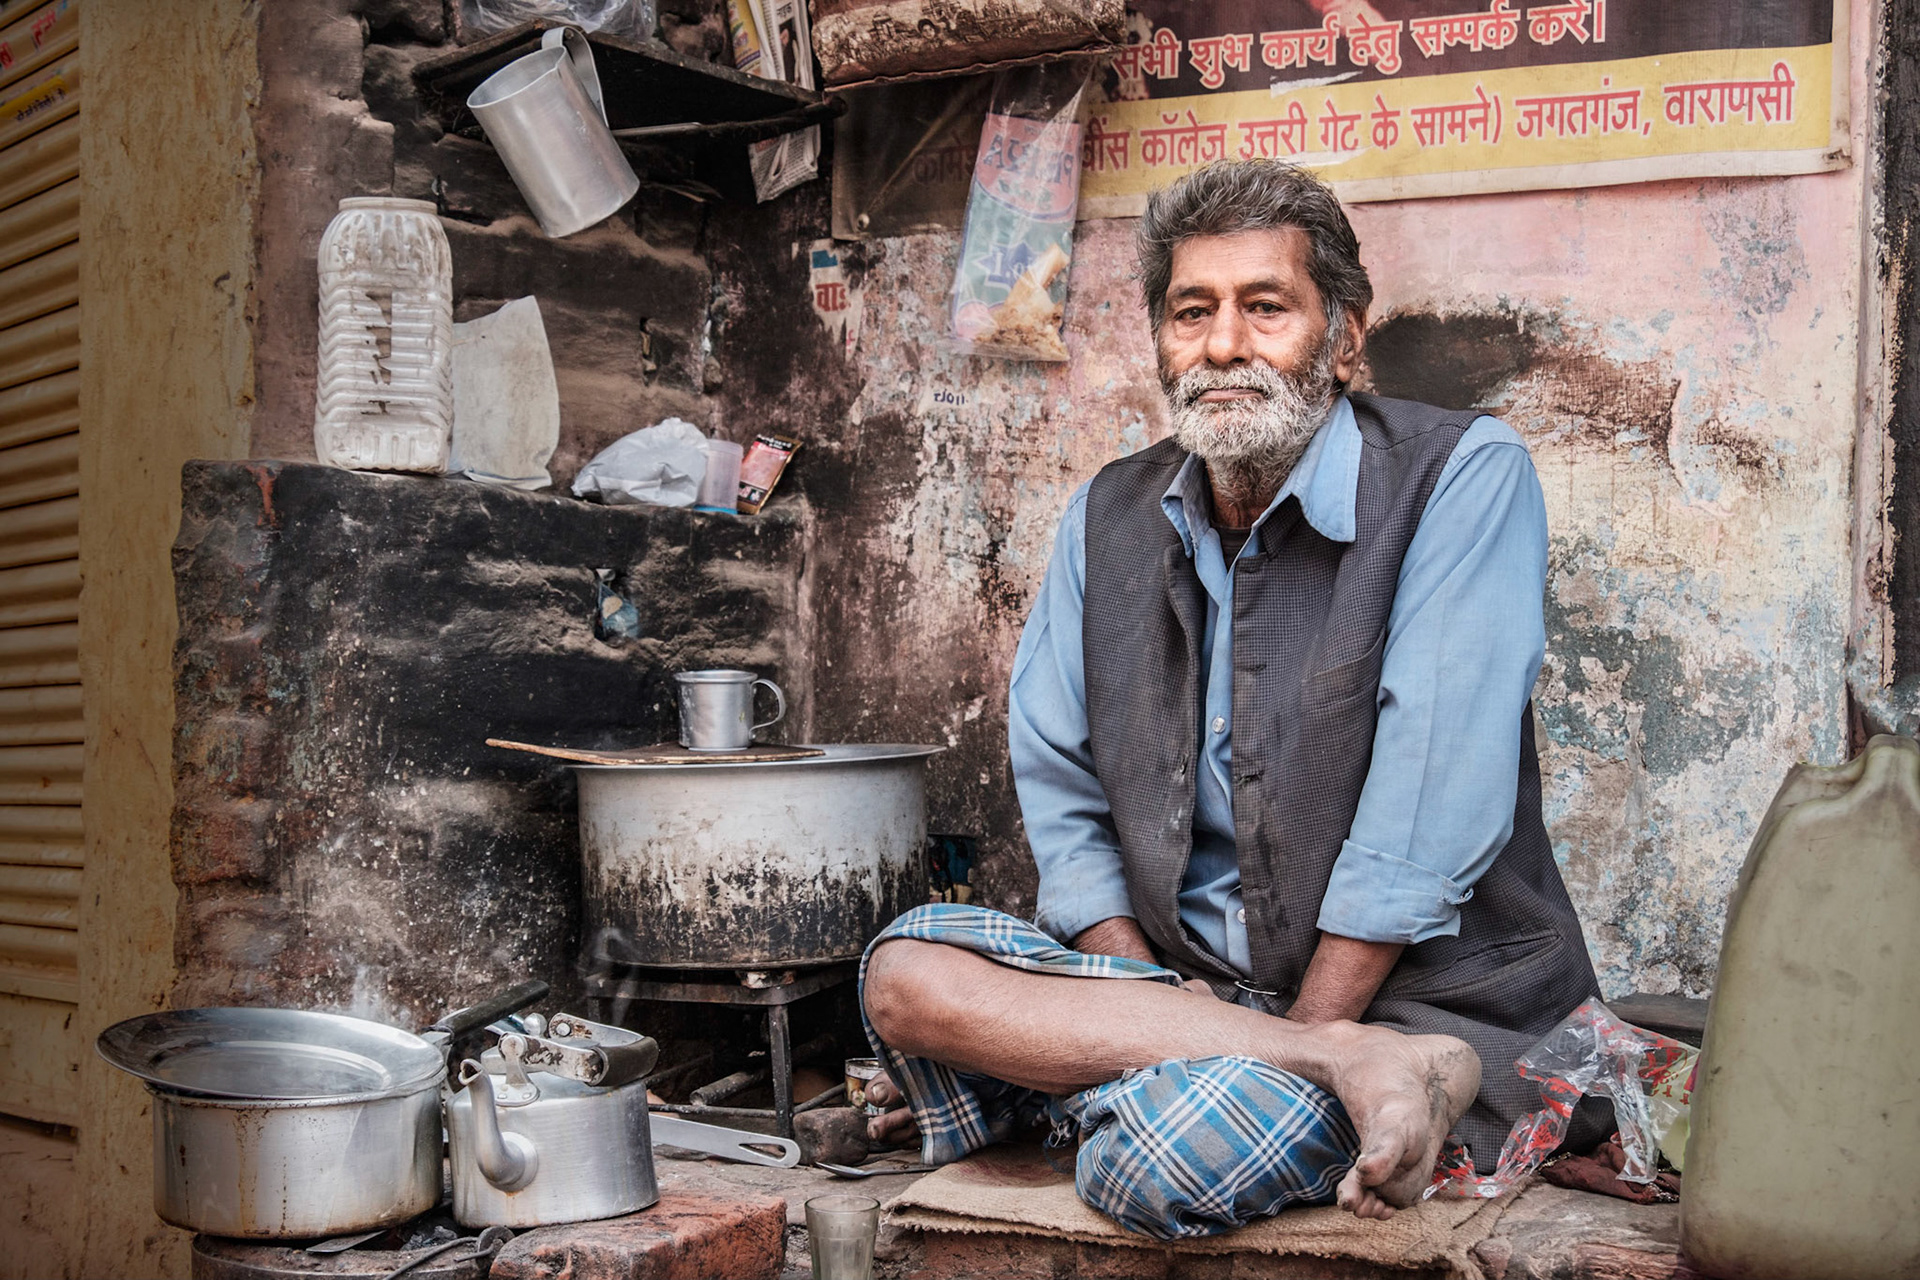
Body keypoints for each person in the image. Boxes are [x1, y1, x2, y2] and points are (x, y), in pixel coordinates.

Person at [858, 158, 1604, 1233]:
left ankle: (1187, 1079)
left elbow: (1426, 820)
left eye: (1266, 307)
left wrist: (1273, 1029)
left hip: (1419, 1003)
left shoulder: (1458, 474)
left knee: (1159, 1163)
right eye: (1191, 311)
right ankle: (1314, 1068)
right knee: (905, 975)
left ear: (1343, 336)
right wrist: (1143, 999)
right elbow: (1065, 797)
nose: (1221, 345)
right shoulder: (1108, 514)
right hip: (1188, 1007)